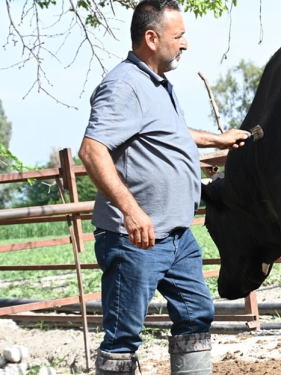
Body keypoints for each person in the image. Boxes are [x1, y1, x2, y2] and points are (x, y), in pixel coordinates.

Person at [78, 1, 249, 374]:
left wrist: (217, 140)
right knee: (123, 335)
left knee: (196, 314)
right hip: (135, 236)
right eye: (179, 36)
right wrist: (131, 210)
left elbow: (170, 134)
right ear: (151, 38)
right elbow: (92, 150)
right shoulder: (124, 85)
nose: (185, 44)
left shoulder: (157, 84)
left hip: (175, 236)